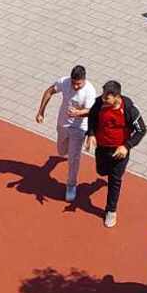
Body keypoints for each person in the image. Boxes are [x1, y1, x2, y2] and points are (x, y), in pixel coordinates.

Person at [90, 80, 147, 228]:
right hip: (102, 148)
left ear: (116, 97)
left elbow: (142, 130)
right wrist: (91, 134)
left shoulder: (129, 109)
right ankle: (101, 182)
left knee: (114, 180)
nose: (103, 98)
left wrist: (127, 146)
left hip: (119, 152)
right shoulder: (99, 103)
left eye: (107, 97)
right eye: (103, 95)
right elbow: (92, 117)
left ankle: (111, 211)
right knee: (101, 171)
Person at [37, 65, 97, 203]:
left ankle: (71, 185)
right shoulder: (64, 82)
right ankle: (55, 159)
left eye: (78, 84)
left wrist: (79, 113)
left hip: (79, 128)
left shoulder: (89, 91)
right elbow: (49, 91)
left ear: (84, 80)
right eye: (73, 83)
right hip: (63, 124)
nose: (75, 86)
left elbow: (92, 111)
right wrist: (41, 112)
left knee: (73, 158)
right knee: (62, 151)